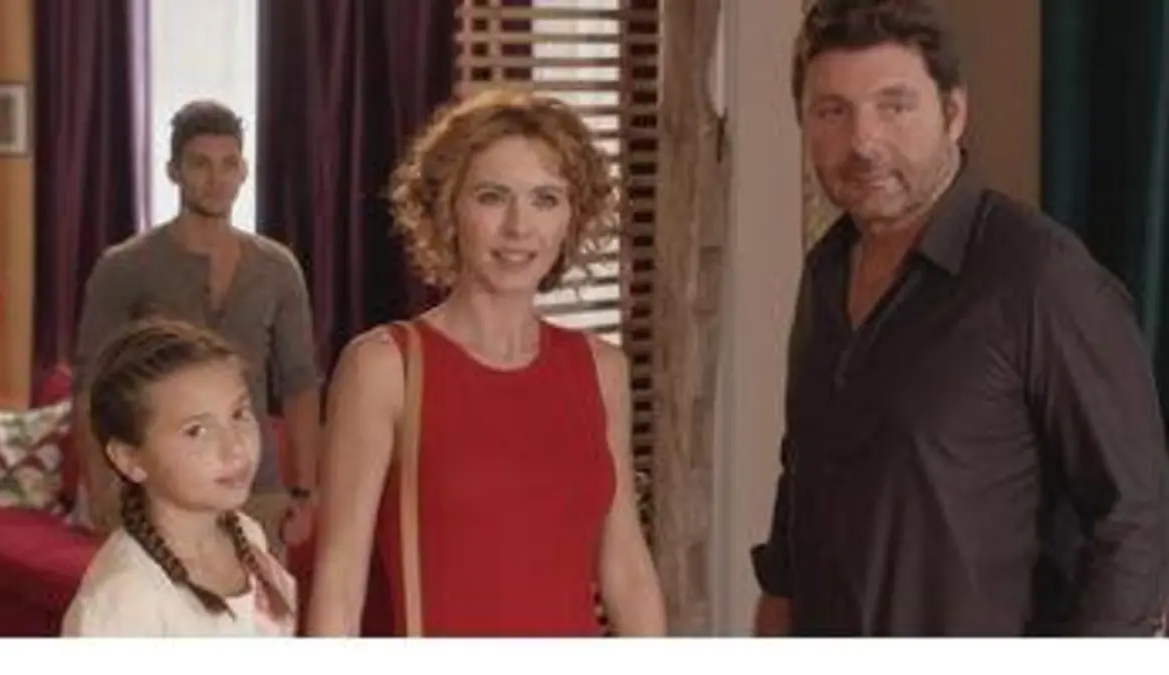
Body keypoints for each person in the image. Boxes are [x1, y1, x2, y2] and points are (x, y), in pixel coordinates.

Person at [750, 0, 1169, 636]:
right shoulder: (825, 272)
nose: (863, 142)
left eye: (894, 106)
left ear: (953, 113)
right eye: (833, 111)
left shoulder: (1039, 278)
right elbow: (804, 468)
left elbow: (1136, 521)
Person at [305, 88, 666, 636]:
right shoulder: (385, 367)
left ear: (572, 216)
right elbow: (340, 581)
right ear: (448, 208)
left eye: (546, 199)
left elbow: (627, 569)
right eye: (493, 197)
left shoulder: (600, 370)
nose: (519, 227)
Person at [71, 100, 322, 560]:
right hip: (160, 493)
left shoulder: (276, 268)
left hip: (256, 490)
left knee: (259, 607)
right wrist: (100, 488)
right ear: (174, 171)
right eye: (200, 164)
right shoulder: (125, 267)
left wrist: (305, 490)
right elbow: (91, 387)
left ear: (243, 171)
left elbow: (300, 383)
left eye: (228, 164)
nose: (216, 179)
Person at [62, 318, 296, 636]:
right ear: (129, 458)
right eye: (196, 431)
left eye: (239, 414)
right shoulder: (124, 600)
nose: (235, 448)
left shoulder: (248, 534)